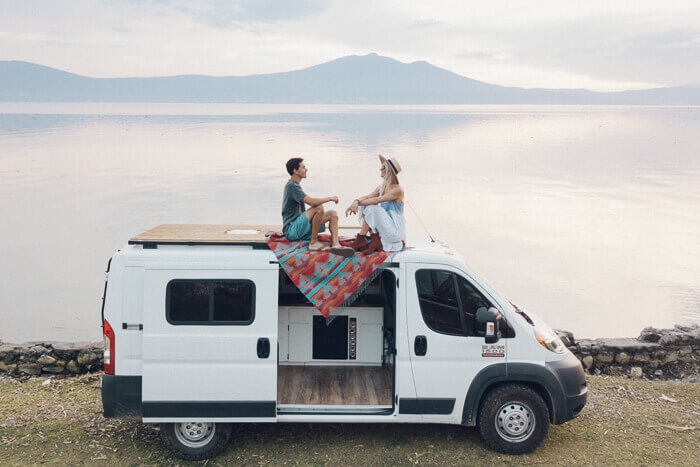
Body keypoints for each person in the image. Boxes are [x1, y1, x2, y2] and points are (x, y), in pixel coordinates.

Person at [282, 157, 354, 257]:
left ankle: (336, 244)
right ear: (295, 171)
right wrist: (330, 198)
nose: (306, 169)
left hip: (300, 227)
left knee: (332, 214)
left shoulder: (295, 185)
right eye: (303, 167)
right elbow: (312, 202)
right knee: (318, 207)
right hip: (292, 230)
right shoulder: (291, 186)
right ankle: (313, 243)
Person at [345, 155, 405, 254]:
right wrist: (355, 202)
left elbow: (377, 200)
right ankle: (375, 240)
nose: (380, 169)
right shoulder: (381, 187)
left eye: (383, 167)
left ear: (389, 171)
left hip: (395, 231)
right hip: (385, 229)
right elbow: (367, 197)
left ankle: (360, 240)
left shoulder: (397, 190)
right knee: (365, 205)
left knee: (371, 208)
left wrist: (357, 204)